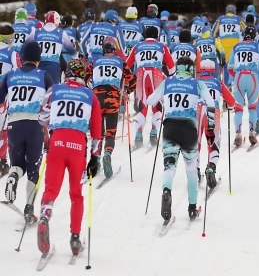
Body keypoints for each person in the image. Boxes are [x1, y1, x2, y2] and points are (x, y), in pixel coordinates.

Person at [37, 59, 102, 255]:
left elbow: (41, 117)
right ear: (83, 75)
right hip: (78, 148)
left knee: (51, 188)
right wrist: (94, 157)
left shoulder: (54, 90)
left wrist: (50, 128)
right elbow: (97, 130)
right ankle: (75, 238)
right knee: (76, 194)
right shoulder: (91, 96)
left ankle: (45, 216)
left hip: (57, 144)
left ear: (67, 73)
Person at [147, 56, 215, 221]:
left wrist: (164, 103)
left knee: (169, 166)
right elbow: (211, 102)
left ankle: (166, 191)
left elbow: (150, 100)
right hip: (189, 128)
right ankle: (192, 207)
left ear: (177, 68)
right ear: (191, 69)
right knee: (191, 169)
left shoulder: (167, 82)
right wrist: (211, 127)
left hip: (170, 127)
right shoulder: (197, 83)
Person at [0, 42, 53, 224]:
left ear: (21, 58)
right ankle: (29, 209)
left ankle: (13, 176)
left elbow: (0, 99)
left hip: (14, 125)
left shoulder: (10, 75)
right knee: (33, 169)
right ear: (38, 59)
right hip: (35, 126)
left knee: (17, 164)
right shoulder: (44, 76)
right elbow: (53, 102)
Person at [85, 37, 136, 178]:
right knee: (110, 132)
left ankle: (96, 160)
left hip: (97, 98)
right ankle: (108, 153)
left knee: (98, 132)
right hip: (113, 98)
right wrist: (127, 91)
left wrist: (90, 89)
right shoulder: (120, 62)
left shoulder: (94, 61)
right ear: (114, 50)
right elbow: (132, 79)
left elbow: (85, 78)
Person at [126, 26, 175, 147]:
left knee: (142, 105)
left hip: (141, 74)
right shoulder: (162, 46)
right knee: (156, 105)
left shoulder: (137, 46)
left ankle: (138, 134)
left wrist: (128, 80)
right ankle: (154, 131)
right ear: (157, 36)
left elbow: (126, 65)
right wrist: (171, 78)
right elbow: (172, 66)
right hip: (156, 74)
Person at [228, 26, 259, 143]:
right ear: (254, 36)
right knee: (252, 107)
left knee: (238, 109)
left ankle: (238, 134)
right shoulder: (258, 46)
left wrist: (235, 76)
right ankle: (252, 133)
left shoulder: (236, 46)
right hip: (253, 77)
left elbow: (229, 67)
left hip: (239, 77)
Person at [197, 59, 235, 188]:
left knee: (195, 143)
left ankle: (195, 171)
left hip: (196, 112)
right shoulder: (218, 83)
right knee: (214, 143)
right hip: (213, 112)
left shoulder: (194, 82)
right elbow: (231, 101)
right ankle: (211, 167)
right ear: (213, 70)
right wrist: (230, 106)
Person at [27, 11, 78, 83]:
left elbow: (26, 46)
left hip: (38, 66)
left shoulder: (36, 32)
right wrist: (78, 60)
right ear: (56, 21)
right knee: (52, 91)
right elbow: (72, 52)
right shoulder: (61, 33)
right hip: (54, 68)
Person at [0, 25, 21, 175]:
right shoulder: (12, 52)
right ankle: (2, 162)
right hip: (3, 94)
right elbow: (18, 72)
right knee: (3, 128)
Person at [212, 4, 246, 86]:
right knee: (236, 67)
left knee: (226, 67)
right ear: (234, 11)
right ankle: (237, 86)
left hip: (224, 48)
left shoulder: (220, 19)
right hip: (236, 47)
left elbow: (213, 33)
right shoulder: (238, 19)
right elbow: (246, 30)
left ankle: (226, 88)